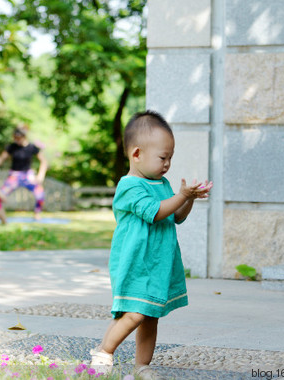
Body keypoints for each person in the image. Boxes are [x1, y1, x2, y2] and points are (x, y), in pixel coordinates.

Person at [89, 110, 212, 379]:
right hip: (136, 261)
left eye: (170, 158)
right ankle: (103, 352)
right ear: (136, 154)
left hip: (157, 262)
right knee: (134, 314)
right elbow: (155, 212)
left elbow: (176, 216)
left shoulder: (162, 183)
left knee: (150, 315)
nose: (167, 164)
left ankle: (141, 366)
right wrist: (181, 194)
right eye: (162, 157)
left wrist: (188, 199)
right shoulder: (129, 185)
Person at [0, 125, 47, 221]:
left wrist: (40, 175)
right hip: (14, 176)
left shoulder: (32, 148)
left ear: (24, 137)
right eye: (15, 138)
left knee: (40, 194)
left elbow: (44, 161)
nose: (16, 140)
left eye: (18, 138)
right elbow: (0, 159)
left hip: (28, 175)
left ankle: (37, 214)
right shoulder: (12, 147)